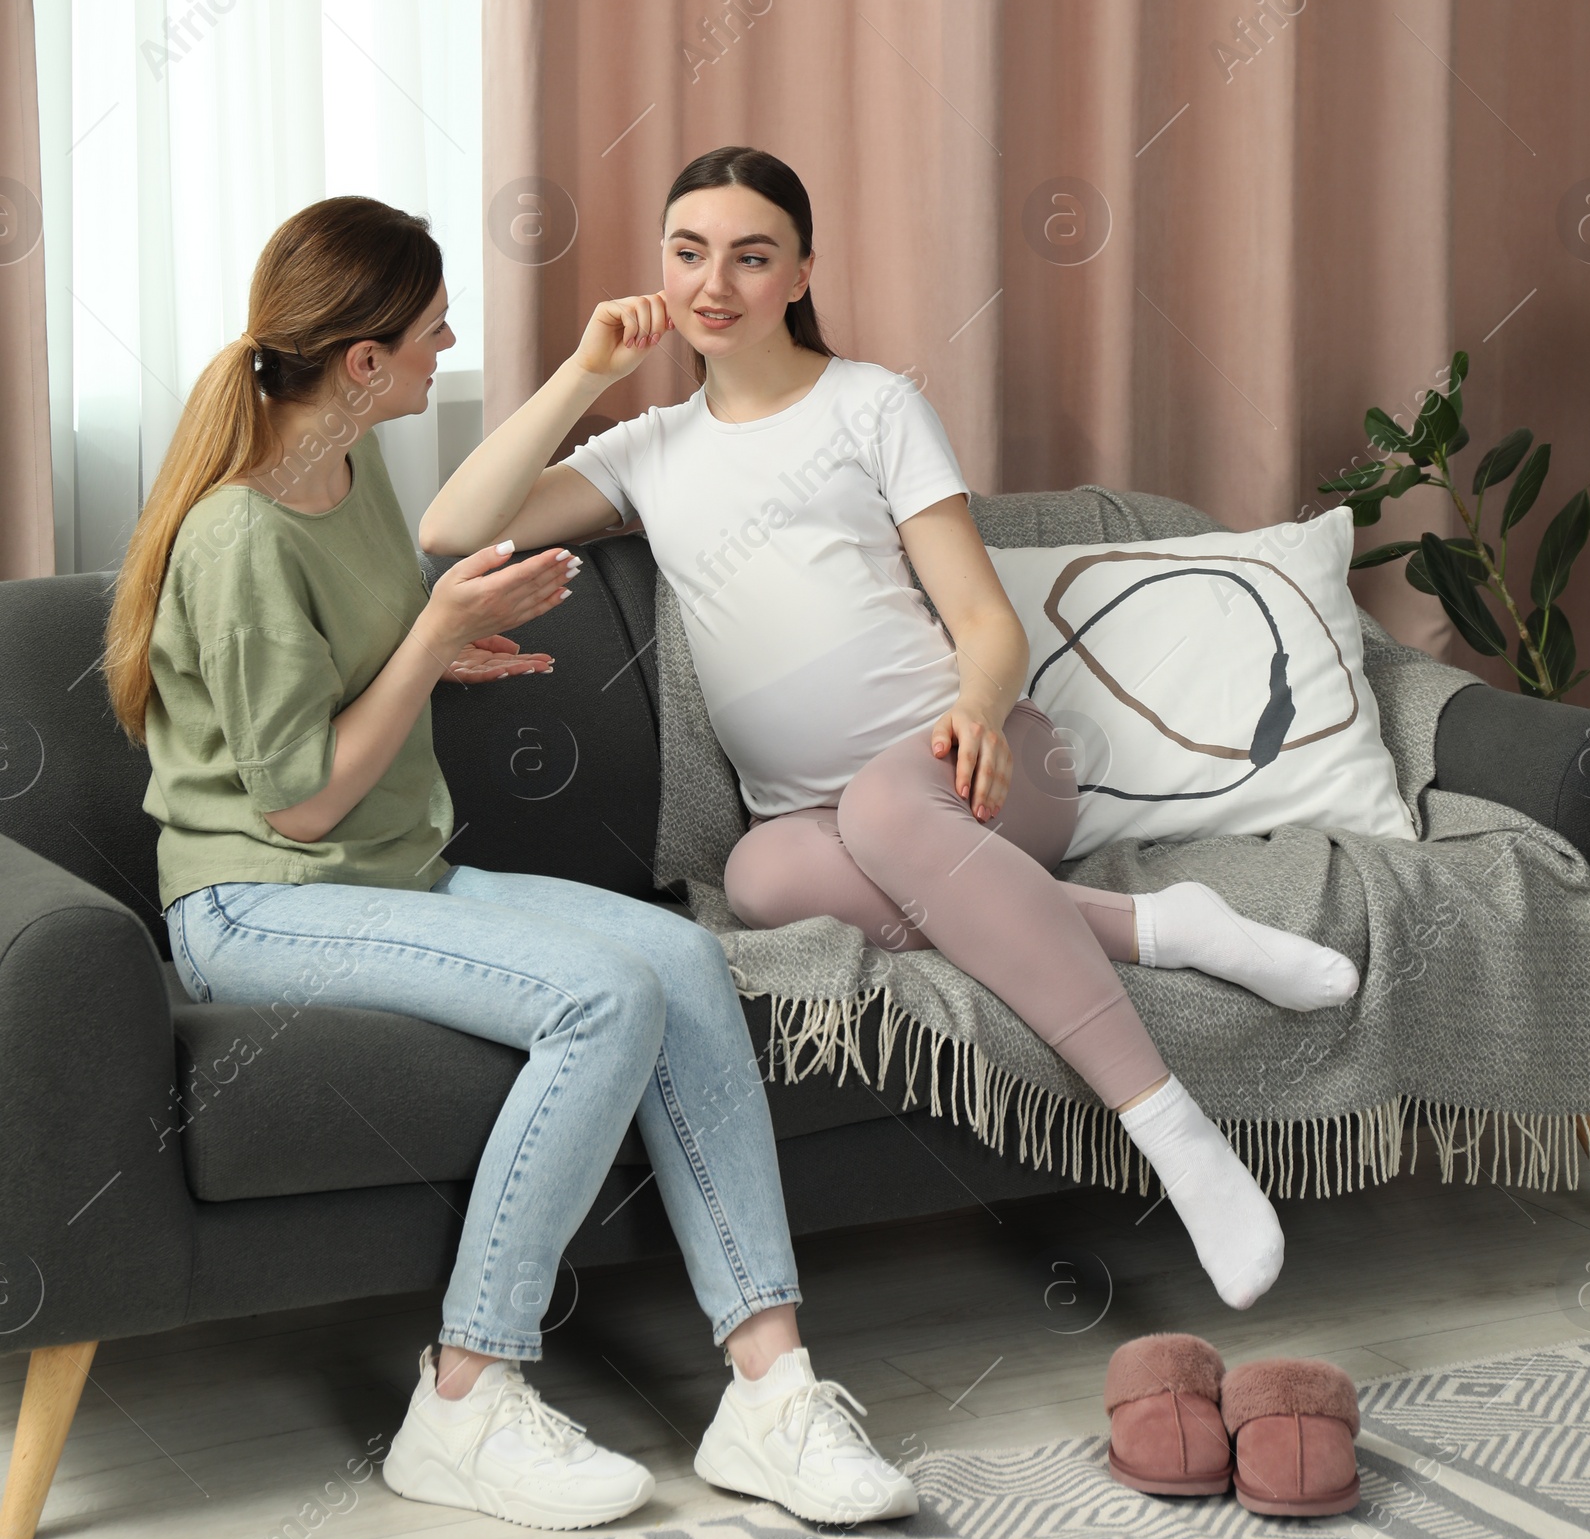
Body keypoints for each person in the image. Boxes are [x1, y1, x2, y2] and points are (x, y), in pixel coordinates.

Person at [425, 147, 1361, 1315]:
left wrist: (976, 709)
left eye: (751, 256)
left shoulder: (872, 405)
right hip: (813, 828)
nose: (715, 282)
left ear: (802, 270)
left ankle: (1170, 1131)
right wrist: (580, 371)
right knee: (760, 880)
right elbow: (452, 525)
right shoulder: (648, 450)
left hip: (981, 771)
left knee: (882, 806)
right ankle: (1163, 927)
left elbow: (980, 614)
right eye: (688, 253)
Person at [106, 193, 919, 1535]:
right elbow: (298, 804)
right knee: (601, 1000)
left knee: (676, 956)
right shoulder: (242, 533)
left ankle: (770, 1394)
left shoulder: (349, 471)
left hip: (390, 870)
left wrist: (443, 645)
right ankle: (466, 1397)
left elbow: (346, 690)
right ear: (363, 361)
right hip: (261, 903)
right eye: (431, 332)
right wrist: (429, 642)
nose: (446, 347)